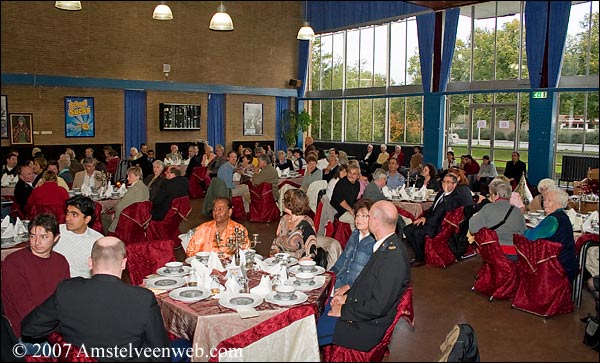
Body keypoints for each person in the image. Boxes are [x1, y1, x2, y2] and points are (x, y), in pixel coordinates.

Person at [21, 237, 170, 360]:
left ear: (90, 262)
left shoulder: (67, 290)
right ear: (124, 263)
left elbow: (29, 328)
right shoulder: (143, 298)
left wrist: (64, 323)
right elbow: (162, 354)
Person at [317, 200, 410, 351]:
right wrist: (347, 297)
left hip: (365, 326)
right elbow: (368, 285)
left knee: (311, 330)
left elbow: (378, 307)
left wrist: (344, 309)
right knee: (318, 311)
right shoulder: (385, 246)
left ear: (374, 221)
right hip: (360, 308)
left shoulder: (392, 257)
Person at [1, 214, 70, 338]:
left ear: (56, 238)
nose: (37, 242)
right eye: (33, 236)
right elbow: (24, 309)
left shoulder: (61, 261)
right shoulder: (14, 262)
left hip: (54, 327)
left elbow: (65, 299)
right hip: (26, 330)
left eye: (44, 237)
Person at [404, 173, 463, 267]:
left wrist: (447, 194)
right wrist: (424, 217)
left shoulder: (456, 197)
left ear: (454, 184)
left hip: (439, 226)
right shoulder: (440, 193)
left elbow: (448, 209)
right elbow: (432, 209)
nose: (445, 184)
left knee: (417, 233)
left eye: (448, 182)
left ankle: (420, 258)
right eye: (444, 181)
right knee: (407, 229)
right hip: (429, 221)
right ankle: (419, 253)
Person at [524, 186, 577, 282]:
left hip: (557, 268)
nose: (545, 203)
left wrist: (521, 231)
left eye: (549, 201)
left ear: (559, 204)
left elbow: (531, 237)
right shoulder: (563, 216)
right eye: (544, 200)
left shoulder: (553, 220)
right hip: (566, 264)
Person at [468, 179, 525, 260]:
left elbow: (472, 229)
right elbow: (522, 232)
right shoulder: (517, 211)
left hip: (494, 252)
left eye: (491, 194)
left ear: (497, 195)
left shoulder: (488, 208)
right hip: (514, 253)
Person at [329, 199, 375, 289]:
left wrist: (349, 287)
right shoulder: (355, 234)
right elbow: (344, 257)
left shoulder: (374, 241)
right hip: (341, 279)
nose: (359, 219)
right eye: (357, 215)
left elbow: (369, 274)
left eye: (364, 216)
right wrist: (331, 274)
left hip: (357, 288)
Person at [54, 196, 104, 278]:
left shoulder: (97, 241)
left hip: (83, 285)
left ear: (87, 219)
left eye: (74, 215)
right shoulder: (56, 232)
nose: (67, 218)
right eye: (67, 213)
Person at [271, 189, 319, 262]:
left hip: (297, 266)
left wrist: (297, 264)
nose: (283, 202)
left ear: (290, 204)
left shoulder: (306, 224)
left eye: (285, 200)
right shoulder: (284, 219)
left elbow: (311, 254)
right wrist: (273, 257)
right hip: (280, 262)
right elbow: (275, 243)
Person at [108, 166, 149, 233]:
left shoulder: (134, 189)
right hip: (139, 220)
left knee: (104, 217)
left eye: (130, 176)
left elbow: (120, 207)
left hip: (128, 220)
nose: (127, 178)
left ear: (137, 176)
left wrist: (114, 213)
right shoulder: (145, 188)